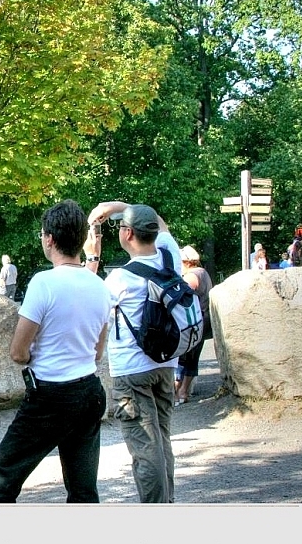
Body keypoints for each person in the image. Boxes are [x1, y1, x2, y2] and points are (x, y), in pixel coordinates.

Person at [0, 200, 110, 503]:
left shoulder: (44, 283)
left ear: (49, 239)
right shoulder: (99, 286)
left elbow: (18, 351)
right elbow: (98, 352)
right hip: (89, 391)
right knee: (83, 490)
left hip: (50, 395)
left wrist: (31, 356)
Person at [85, 201, 182, 503]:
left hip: (131, 372)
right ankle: (166, 502)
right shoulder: (171, 257)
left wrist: (92, 253)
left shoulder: (120, 279)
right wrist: (120, 207)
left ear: (127, 234)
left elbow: (88, 299)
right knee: (161, 439)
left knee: (145, 449)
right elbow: (161, 224)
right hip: (166, 364)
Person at [174, 245, 214, 405]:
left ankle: (177, 393)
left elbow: (181, 296)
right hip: (204, 322)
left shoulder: (190, 277)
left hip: (192, 324)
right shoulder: (203, 272)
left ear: (185, 261)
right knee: (193, 359)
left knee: (182, 358)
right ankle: (184, 392)